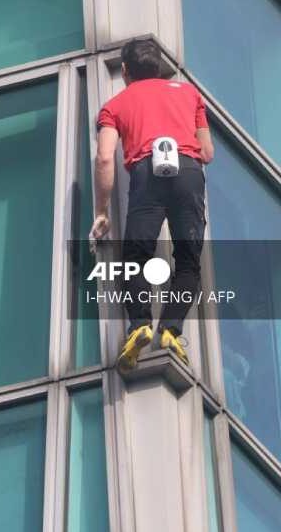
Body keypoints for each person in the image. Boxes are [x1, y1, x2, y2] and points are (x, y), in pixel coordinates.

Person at [90, 38, 214, 371]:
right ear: (158, 67)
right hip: (188, 172)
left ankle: (140, 326)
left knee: (135, 259)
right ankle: (171, 330)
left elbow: (104, 158)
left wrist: (102, 211)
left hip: (147, 174)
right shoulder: (190, 94)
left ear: (125, 71)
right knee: (188, 262)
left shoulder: (114, 106)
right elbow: (207, 153)